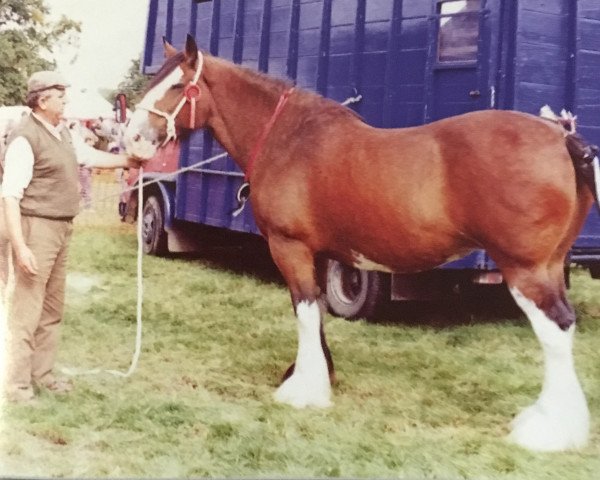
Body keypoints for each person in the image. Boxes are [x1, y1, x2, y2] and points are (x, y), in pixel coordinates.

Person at [1, 71, 152, 403]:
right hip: (34, 228)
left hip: (61, 228)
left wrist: (130, 160)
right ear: (42, 101)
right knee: (26, 310)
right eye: (61, 95)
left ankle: (42, 374)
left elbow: (90, 158)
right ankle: (15, 386)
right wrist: (21, 246)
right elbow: (10, 195)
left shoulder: (62, 134)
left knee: (52, 307)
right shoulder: (26, 138)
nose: (67, 100)